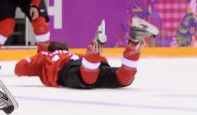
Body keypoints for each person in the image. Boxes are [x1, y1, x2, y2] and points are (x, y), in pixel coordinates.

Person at [15, 17, 159, 88]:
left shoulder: (45, 56)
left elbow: (19, 68)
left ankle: (95, 43)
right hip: (87, 65)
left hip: (67, 71)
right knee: (122, 78)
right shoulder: (75, 55)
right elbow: (104, 62)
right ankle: (134, 42)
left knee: (86, 79)